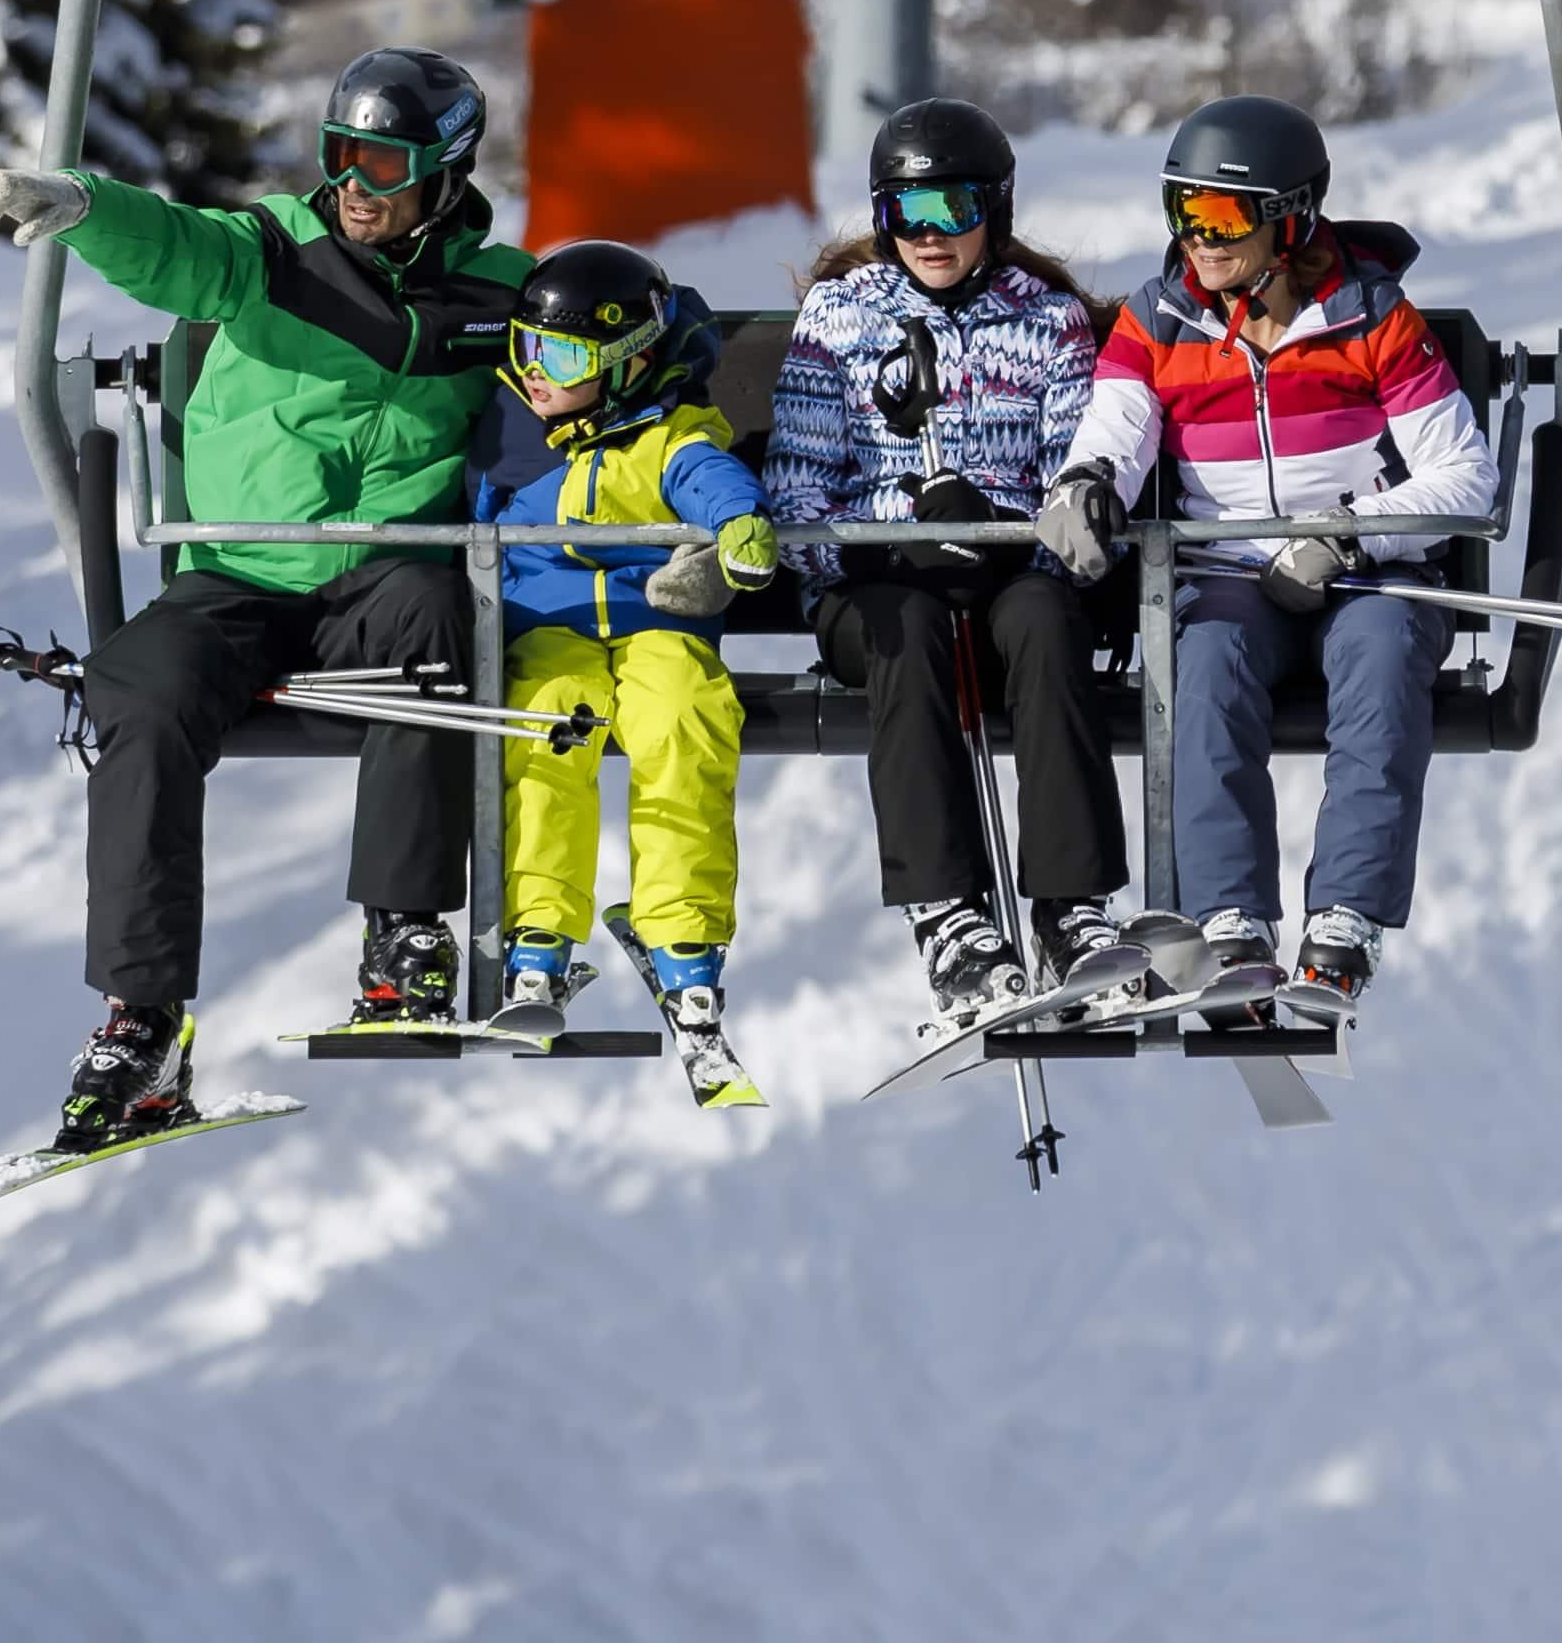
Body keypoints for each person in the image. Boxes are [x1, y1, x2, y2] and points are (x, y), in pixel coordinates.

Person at [0, 43, 526, 1157]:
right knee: (140, 686)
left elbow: (622, 336)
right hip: (241, 576)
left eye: (384, 164)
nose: (355, 184)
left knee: (435, 617)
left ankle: (403, 936)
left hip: (384, 576)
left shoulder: (500, 293)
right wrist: (83, 206)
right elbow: (179, 249)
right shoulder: (273, 252)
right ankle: (143, 1020)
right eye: (341, 153)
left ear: (446, 173)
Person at [1035, 91, 1492, 1020]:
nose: (1197, 238)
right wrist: (1086, 485)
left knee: (1382, 658)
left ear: (1292, 217)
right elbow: (1115, 431)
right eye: (1181, 209)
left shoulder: (1371, 318)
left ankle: (1345, 921)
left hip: (1366, 570)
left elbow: (1465, 477)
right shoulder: (1161, 321)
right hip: (1230, 568)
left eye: (1221, 215)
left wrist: (1350, 531)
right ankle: (1228, 923)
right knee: (1205, 666)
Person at [758, 95, 1129, 1015]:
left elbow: (1072, 480)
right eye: (904, 212)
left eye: (951, 210)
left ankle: (1072, 908)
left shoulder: (1045, 320)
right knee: (909, 627)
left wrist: (1003, 543)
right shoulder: (842, 317)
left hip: (1008, 576)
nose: (928, 235)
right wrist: (889, 555)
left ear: (994, 209)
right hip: (876, 591)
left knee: (1046, 621)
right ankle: (950, 914)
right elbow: (797, 491)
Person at [470, 240, 785, 1090]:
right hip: (551, 630)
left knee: (687, 720)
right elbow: (469, 519)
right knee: (548, 727)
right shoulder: (515, 431)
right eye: (528, 348)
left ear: (629, 363)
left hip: (658, 625)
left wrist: (740, 525)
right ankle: (537, 939)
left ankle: (684, 944)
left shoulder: (671, 434)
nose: (536, 373)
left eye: (563, 358)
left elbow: (713, 479)